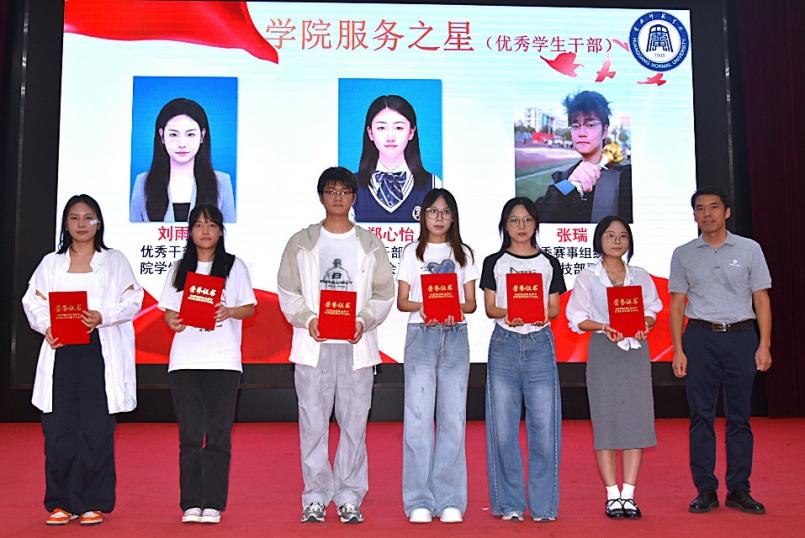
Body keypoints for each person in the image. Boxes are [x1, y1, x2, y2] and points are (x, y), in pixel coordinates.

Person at [277, 166, 394, 524]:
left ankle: (349, 495)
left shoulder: (370, 243)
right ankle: (314, 495)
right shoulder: (302, 242)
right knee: (312, 424)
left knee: (354, 424)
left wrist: (364, 320)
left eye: (344, 191)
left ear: (354, 197)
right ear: (321, 197)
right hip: (314, 345)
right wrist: (307, 318)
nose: (338, 197)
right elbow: (287, 289)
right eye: (331, 191)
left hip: (356, 346)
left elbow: (384, 293)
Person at [22, 194, 143, 526]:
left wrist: (103, 315)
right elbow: (32, 301)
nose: (81, 224)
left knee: (96, 429)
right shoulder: (51, 263)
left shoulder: (114, 261)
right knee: (58, 429)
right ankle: (60, 502)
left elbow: (133, 300)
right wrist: (46, 326)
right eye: (74, 218)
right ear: (65, 223)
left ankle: (93, 502)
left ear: (98, 223)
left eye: (88, 218)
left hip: (98, 352)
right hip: (61, 350)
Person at [669, 187, 772, 515]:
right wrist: (678, 350)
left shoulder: (750, 249)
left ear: (727, 212)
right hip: (700, 338)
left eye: (714, 207)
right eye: (700, 208)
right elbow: (677, 305)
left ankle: (740, 489)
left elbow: (761, 299)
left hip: (741, 337)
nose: (707, 214)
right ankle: (706, 489)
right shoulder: (683, 253)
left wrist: (764, 344)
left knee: (740, 417)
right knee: (701, 416)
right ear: (694, 215)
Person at [158, 204, 256, 524]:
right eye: (199, 225)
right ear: (189, 231)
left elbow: (249, 308)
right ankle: (190, 503)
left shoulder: (233, 266)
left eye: (212, 225)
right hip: (185, 362)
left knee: (218, 436)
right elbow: (168, 310)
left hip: (223, 361)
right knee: (189, 436)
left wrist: (229, 312)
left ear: (221, 231)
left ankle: (213, 503)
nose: (205, 231)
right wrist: (173, 320)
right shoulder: (179, 268)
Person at [566, 216, 662, 519]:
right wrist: (603, 326)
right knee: (605, 421)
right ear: (599, 240)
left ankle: (629, 495)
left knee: (637, 421)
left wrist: (645, 323)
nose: (617, 241)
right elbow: (576, 317)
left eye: (623, 236)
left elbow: (653, 309)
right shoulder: (587, 277)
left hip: (635, 351)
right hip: (603, 350)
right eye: (610, 235)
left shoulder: (640, 276)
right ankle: (612, 495)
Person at [480, 197, 566, 522]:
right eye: (514, 220)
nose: (521, 226)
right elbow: (490, 308)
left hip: (539, 343)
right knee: (503, 429)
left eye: (527, 220)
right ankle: (509, 503)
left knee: (544, 428)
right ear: (505, 224)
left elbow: (554, 309)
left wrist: (534, 313)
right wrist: (512, 312)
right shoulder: (494, 262)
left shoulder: (549, 263)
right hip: (504, 343)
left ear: (536, 224)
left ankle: (544, 506)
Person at [396, 188, 478, 524]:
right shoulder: (411, 252)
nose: (439, 218)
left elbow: (470, 304)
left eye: (445, 212)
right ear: (423, 216)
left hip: (455, 336)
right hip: (421, 336)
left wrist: (448, 308)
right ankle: (418, 499)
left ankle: (449, 499)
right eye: (433, 211)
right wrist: (428, 307)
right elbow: (403, 302)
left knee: (453, 419)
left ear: (453, 217)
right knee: (418, 420)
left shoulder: (464, 254)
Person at [130, 97, 235, 223]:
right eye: (173, 134)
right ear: (162, 136)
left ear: (202, 136)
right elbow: (131, 232)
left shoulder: (222, 182)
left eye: (190, 134)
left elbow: (230, 232)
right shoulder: (142, 182)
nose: (182, 144)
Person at [535, 90, 632, 223]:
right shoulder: (563, 178)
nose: (581, 133)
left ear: (605, 131)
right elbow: (542, 219)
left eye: (590, 125)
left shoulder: (625, 177)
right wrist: (569, 185)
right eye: (575, 126)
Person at [352, 95, 437, 223]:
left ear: (411, 132)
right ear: (370, 133)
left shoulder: (433, 184)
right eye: (381, 128)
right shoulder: (350, 185)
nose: (390, 137)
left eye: (399, 128)